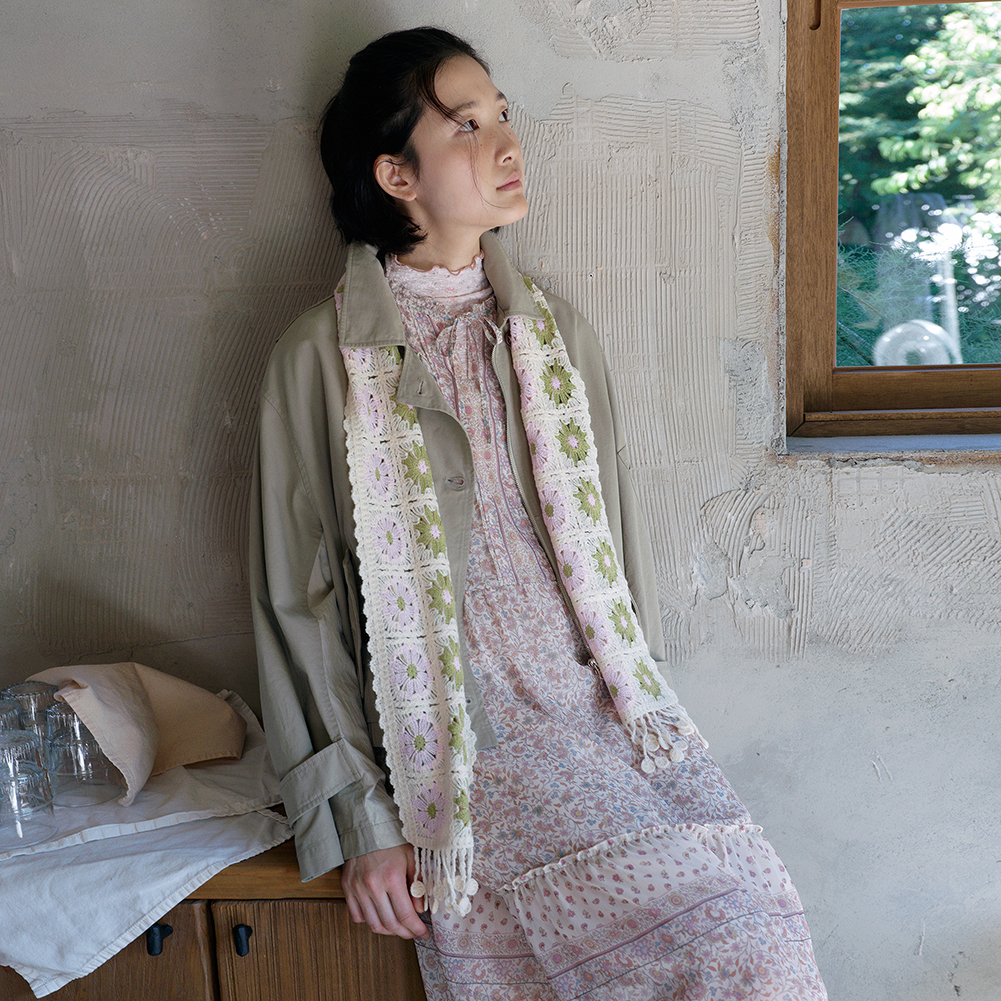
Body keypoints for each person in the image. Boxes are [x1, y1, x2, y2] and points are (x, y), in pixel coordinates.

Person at [250, 26, 828, 1000]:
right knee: (726, 950)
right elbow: (295, 607)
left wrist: (635, 706)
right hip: (466, 744)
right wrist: (360, 820)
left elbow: (615, 564)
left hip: (605, 719)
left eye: (502, 115)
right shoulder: (318, 359)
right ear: (396, 174)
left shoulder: (552, 337)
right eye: (465, 125)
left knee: (765, 932)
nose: (507, 144)